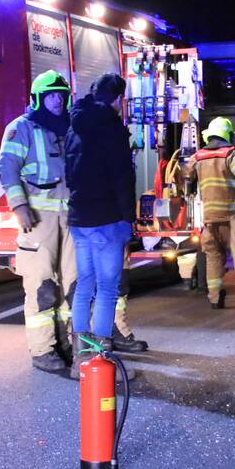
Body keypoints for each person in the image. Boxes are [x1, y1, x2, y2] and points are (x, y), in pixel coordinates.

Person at [0, 70, 75, 373]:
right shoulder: (21, 128)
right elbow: (8, 168)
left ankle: (68, 343)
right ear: (37, 99)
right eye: (51, 95)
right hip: (38, 219)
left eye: (61, 95)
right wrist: (19, 206)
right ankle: (43, 350)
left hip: (71, 219)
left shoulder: (70, 128)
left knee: (74, 285)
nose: (57, 100)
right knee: (42, 285)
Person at [65, 73, 138, 379]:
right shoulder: (112, 128)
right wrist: (127, 219)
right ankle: (100, 361)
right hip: (107, 218)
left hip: (79, 217)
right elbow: (122, 177)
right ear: (118, 99)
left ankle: (79, 360)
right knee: (107, 289)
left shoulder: (74, 125)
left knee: (85, 285)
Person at [185, 117, 235, 308]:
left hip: (210, 217)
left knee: (213, 257)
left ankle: (215, 298)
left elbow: (186, 176)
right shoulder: (231, 154)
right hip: (232, 215)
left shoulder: (198, 157)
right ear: (227, 134)